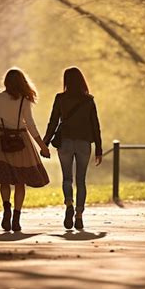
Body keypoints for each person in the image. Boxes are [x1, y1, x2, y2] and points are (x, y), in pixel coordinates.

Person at [0, 68, 50, 232]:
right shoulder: (24, 100)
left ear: (6, 82)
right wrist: (42, 146)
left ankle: (6, 210)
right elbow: (30, 125)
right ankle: (16, 218)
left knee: (4, 179)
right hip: (21, 142)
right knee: (20, 181)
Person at [43, 67, 102, 230]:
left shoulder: (60, 98)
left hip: (66, 143)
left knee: (67, 178)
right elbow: (95, 125)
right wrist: (99, 149)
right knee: (81, 180)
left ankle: (69, 204)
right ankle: (79, 215)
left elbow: (53, 122)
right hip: (84, 143)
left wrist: (45, 143)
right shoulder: (89, 100)